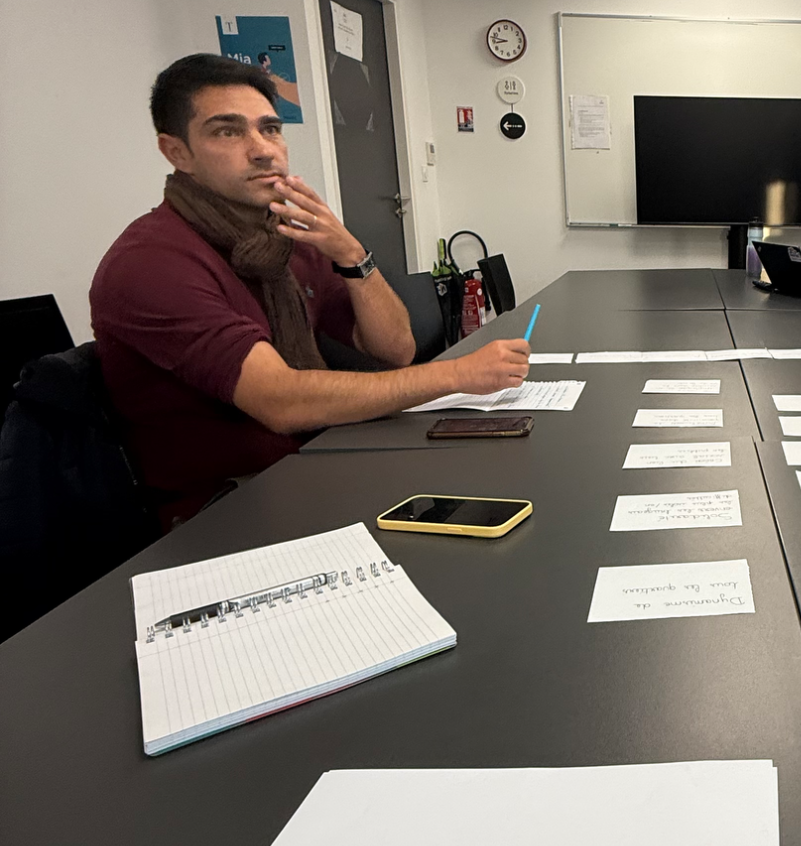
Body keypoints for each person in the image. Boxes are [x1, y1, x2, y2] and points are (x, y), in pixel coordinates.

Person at [92, 54, 529, 526]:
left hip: (313, 460)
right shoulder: (151, 262)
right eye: (227, 132)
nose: (262, 150)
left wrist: (351, 252)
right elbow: (281, 401)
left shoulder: (287, 239)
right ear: (176, 152)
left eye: (270, 129)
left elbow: (394, 349)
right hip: (225, 506)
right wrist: (455, 374)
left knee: (506, 481)